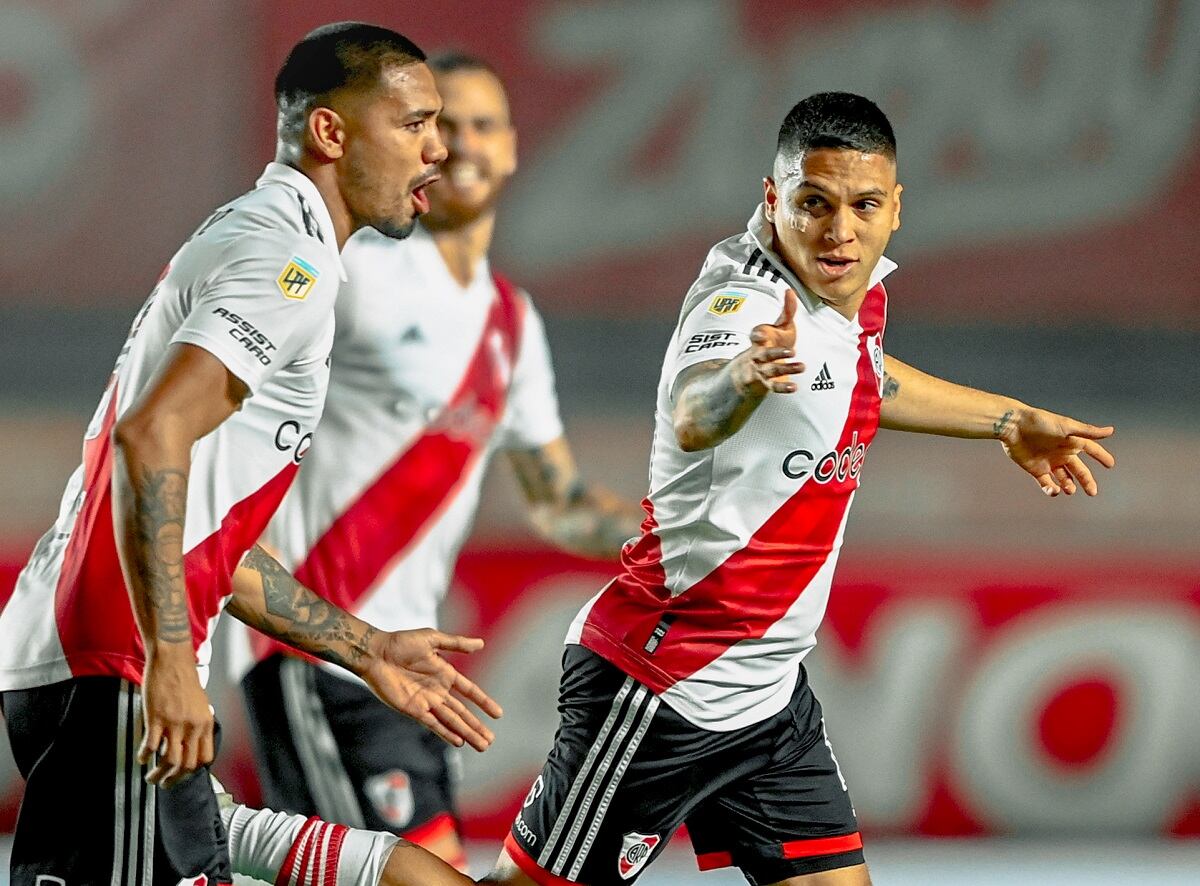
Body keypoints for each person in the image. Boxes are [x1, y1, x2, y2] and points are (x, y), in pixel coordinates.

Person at [482, 92, 1116, 886]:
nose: (838, 230)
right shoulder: (746, 304)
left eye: (864, 205)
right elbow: (692, 411)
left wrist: (1007, 420)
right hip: (664, 683)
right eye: (813, 203)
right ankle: (315, 855)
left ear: (896, 209)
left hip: (769, 701)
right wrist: (744, 378)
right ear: (773, 198)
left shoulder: (855, 291)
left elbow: (864, 377)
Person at [0, 23, 502, 886]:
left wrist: (366, 648)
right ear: (332, 134)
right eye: (415, 122)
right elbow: (149, 438)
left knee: (410, 876)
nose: (440, 146)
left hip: (111, 667)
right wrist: (163, 665)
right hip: (118, 674)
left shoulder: (276, 243)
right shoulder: (286, 259)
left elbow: (205, 533)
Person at [238, 51, 644, 873]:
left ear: (512, 148)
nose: (460, 143)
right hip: (321, 651)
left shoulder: (511, 321)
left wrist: (676, 538)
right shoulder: (354, 266)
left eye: (481, 125)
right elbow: (227, 392)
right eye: (437, 124)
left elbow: (557, 501)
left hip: (412, 670)